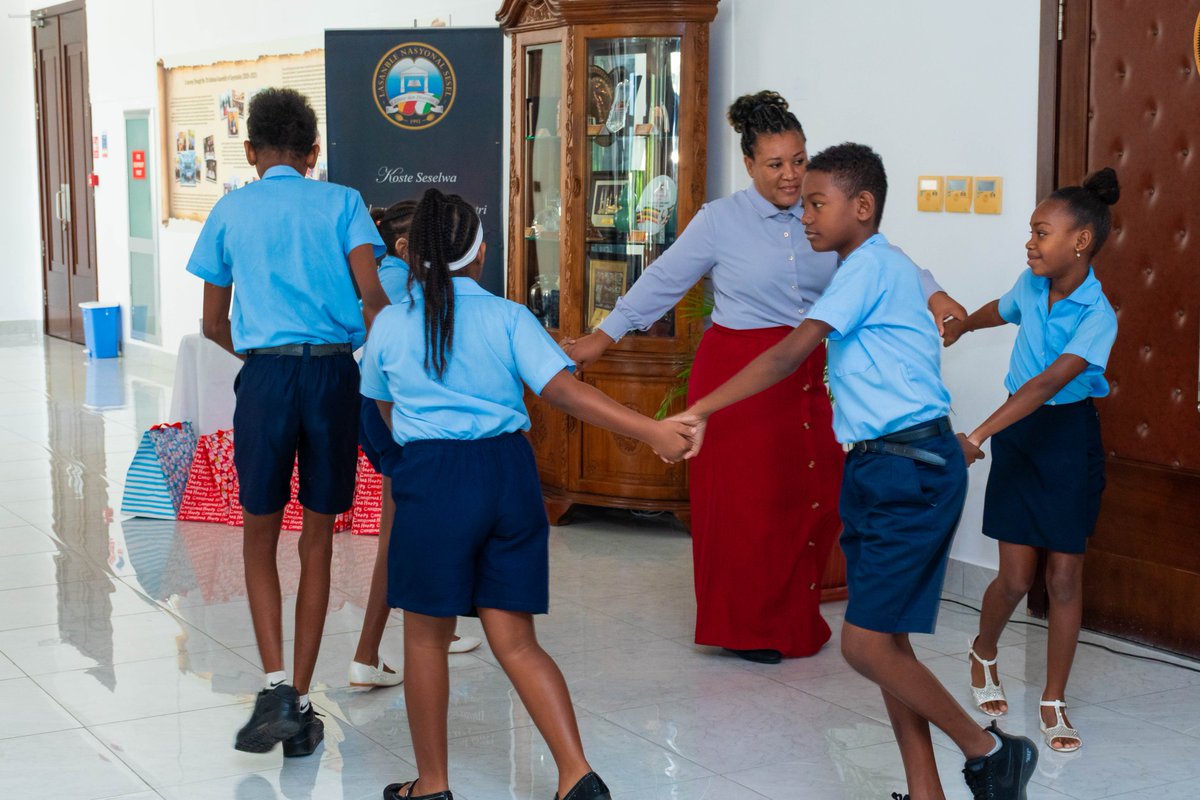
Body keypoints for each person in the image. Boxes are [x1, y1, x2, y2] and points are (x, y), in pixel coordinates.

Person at [674, 143, 1038, 800]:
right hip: (880, 467)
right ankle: (925, 790)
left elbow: (790, 355)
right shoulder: (865, 265)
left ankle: (989, 750)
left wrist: (701, 409)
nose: (804, 213)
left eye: (817, 202)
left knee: (863, 647)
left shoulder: (871, 267)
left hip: (910, 470)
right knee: (887, 643)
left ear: (861, 207)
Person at [563, 91, 965, 664]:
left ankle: (795, 620)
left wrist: (935, 292)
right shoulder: (720, 220)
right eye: (775, 164)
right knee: (747, 508)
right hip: (740, 374)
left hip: (810, 371)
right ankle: (744, 627)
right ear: (748, 165)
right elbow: (662, 282)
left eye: (799, 159)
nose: (791, 175)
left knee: (810, 498)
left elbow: (878, 255)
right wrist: (603, 338)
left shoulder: (826, 212)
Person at [360, 189, 695, 800]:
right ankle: (576, 776)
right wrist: (652, 431)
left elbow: (380, 410)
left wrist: (415, 462)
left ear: (415, 255)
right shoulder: (510, 318)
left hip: (433, 479)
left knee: (425, 639)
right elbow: (566, 393)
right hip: (509, 478)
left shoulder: (389, 328)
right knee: (515, 640)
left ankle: (431, 785)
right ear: (480, 255)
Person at [186, 87, 390, 757]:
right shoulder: (344, 203)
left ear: (249, 151)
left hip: (269, 379)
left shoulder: (229, 209)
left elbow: (213, 324)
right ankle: (299, 697)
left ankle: (273, 683)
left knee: (258, 532)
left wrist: (267, 353)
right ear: (313, 152)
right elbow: (375, 301)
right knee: (319, 535)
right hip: (335, 375)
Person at [947, 168, 1120, 753]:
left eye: (1041, 233)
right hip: (1021, 439)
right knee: (1017, 577)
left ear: (1080, 242)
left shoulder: (1099, 316)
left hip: (1067, 439)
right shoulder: (1032, 284)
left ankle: (1052, 699)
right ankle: (983, 650)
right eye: (1030, 231)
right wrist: (965, 325)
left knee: (1064, 576)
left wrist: (977, 434)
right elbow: (1003, 308)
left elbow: (1047, 385)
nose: (1030, 242)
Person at [348, 201, 480, 691]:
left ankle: (436, 625)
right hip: (389, 409)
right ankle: (366, 653)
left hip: (383, 406)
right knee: (397, 533)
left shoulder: (386, 269)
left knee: (419, 526)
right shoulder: (393, 276)